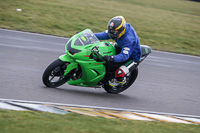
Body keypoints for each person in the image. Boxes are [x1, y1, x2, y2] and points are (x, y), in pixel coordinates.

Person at [94, 16, 141, 86]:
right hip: (120, 47)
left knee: (119, 74)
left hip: (132, 57)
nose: (112, 33)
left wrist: (111, 58)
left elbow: (124, 56)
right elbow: (103, 35)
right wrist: (87, 36)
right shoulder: (117, 30)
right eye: (111, 30)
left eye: (114, 31)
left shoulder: (129, 39)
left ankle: (122, 81)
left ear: (121, 29)